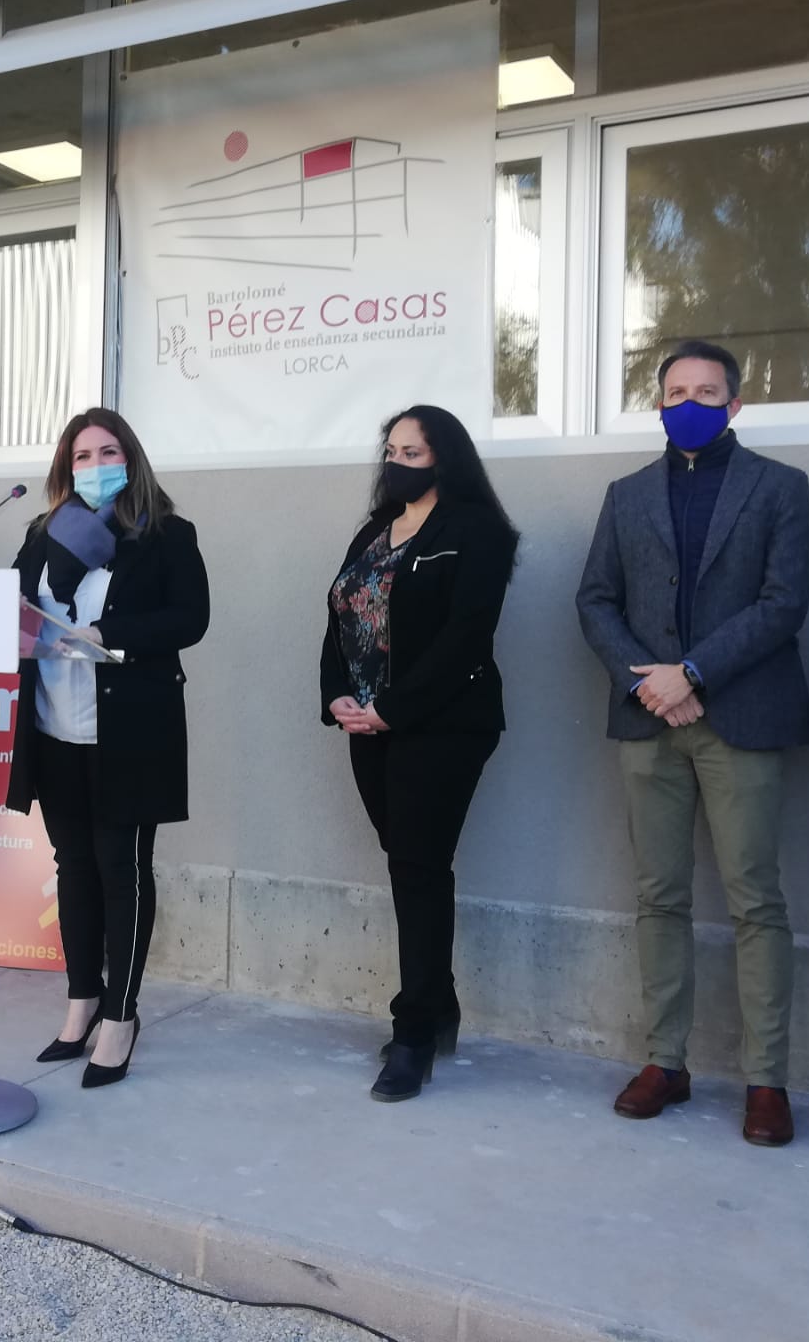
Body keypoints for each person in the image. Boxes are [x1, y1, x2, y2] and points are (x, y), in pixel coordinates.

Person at [575, 340, 809, 1147]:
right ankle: (665, 1061)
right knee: (659, 897)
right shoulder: (627, 492)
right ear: (658, 402)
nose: (691, 401)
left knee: (756, 900)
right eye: (676, 390)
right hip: (649, 722)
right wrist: (649, 682)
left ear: (735, 404)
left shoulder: (781, 488)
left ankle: (766, 1079)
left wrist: (693, 673)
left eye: (707, 391)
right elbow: (596, 599)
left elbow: (785, 604)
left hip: (739, 719)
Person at [4, 408, 210, 1089]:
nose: (96, 466)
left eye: (108, 452)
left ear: (131, 459)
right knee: (74, 867)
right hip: (53, 723)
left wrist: (107, 633)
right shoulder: (42, 535)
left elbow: (190, 618)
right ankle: (82, 1000)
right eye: (82, 456)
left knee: (121, 870)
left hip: (127, 729)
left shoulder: (166, 534)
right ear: (66, 468)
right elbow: (13, 605)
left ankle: (121, 1014)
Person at [320, 404, 520, 1104]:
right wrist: (340, 697)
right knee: (411, 866)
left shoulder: (479, 531)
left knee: (417, 866)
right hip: (368, 726)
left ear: (448, 458)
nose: (399, 463)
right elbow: (342, 615)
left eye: (415, 452)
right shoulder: (376, 529)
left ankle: (413, 1036)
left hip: (442, 726)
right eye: (393, 450)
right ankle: (439, 1006)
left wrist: (392, 708)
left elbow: (466, 638)